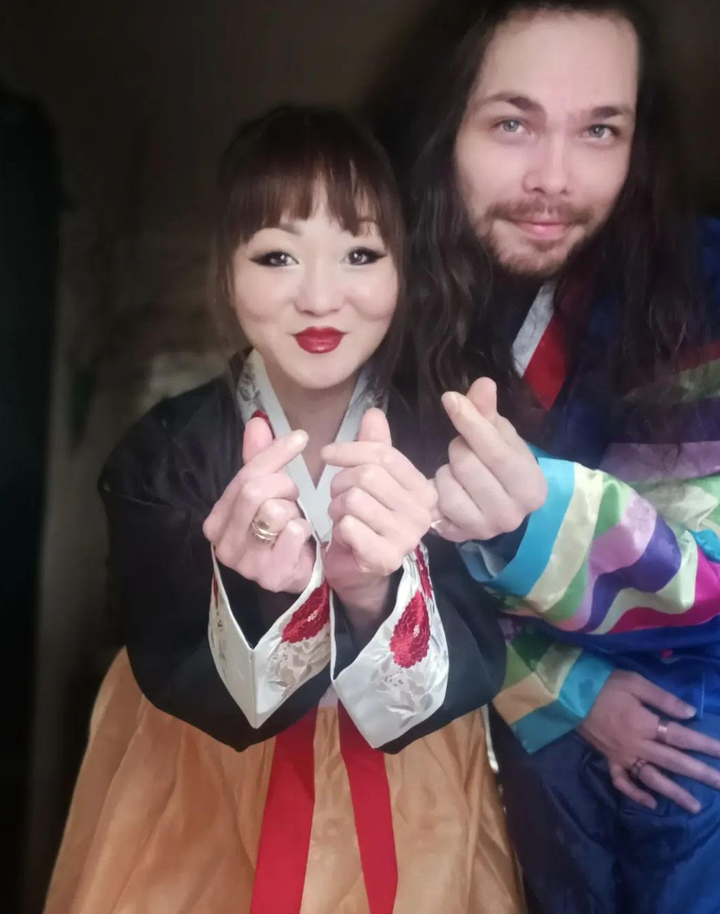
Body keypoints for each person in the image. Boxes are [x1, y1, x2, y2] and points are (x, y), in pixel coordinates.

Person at [42, 106, 523, 914]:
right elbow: (161, 653)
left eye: (360, 253)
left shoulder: (447, 445)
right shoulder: (163, 452)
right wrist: (265, 597)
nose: (321, 296)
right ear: (226, 274)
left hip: (417, 795)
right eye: (276, 255)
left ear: (401, 271)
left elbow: (485, 648)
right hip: (196, 788)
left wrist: (375, 593)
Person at [403, 1, 720, 912]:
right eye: (513, 122)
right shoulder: (401, 301)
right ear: (445, 128)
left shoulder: (696, 292)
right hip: (535, 811)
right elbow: (403, 586)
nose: (554, 180)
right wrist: (574, 689)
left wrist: (526, 513)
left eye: (599, 131)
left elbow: (699, 578)